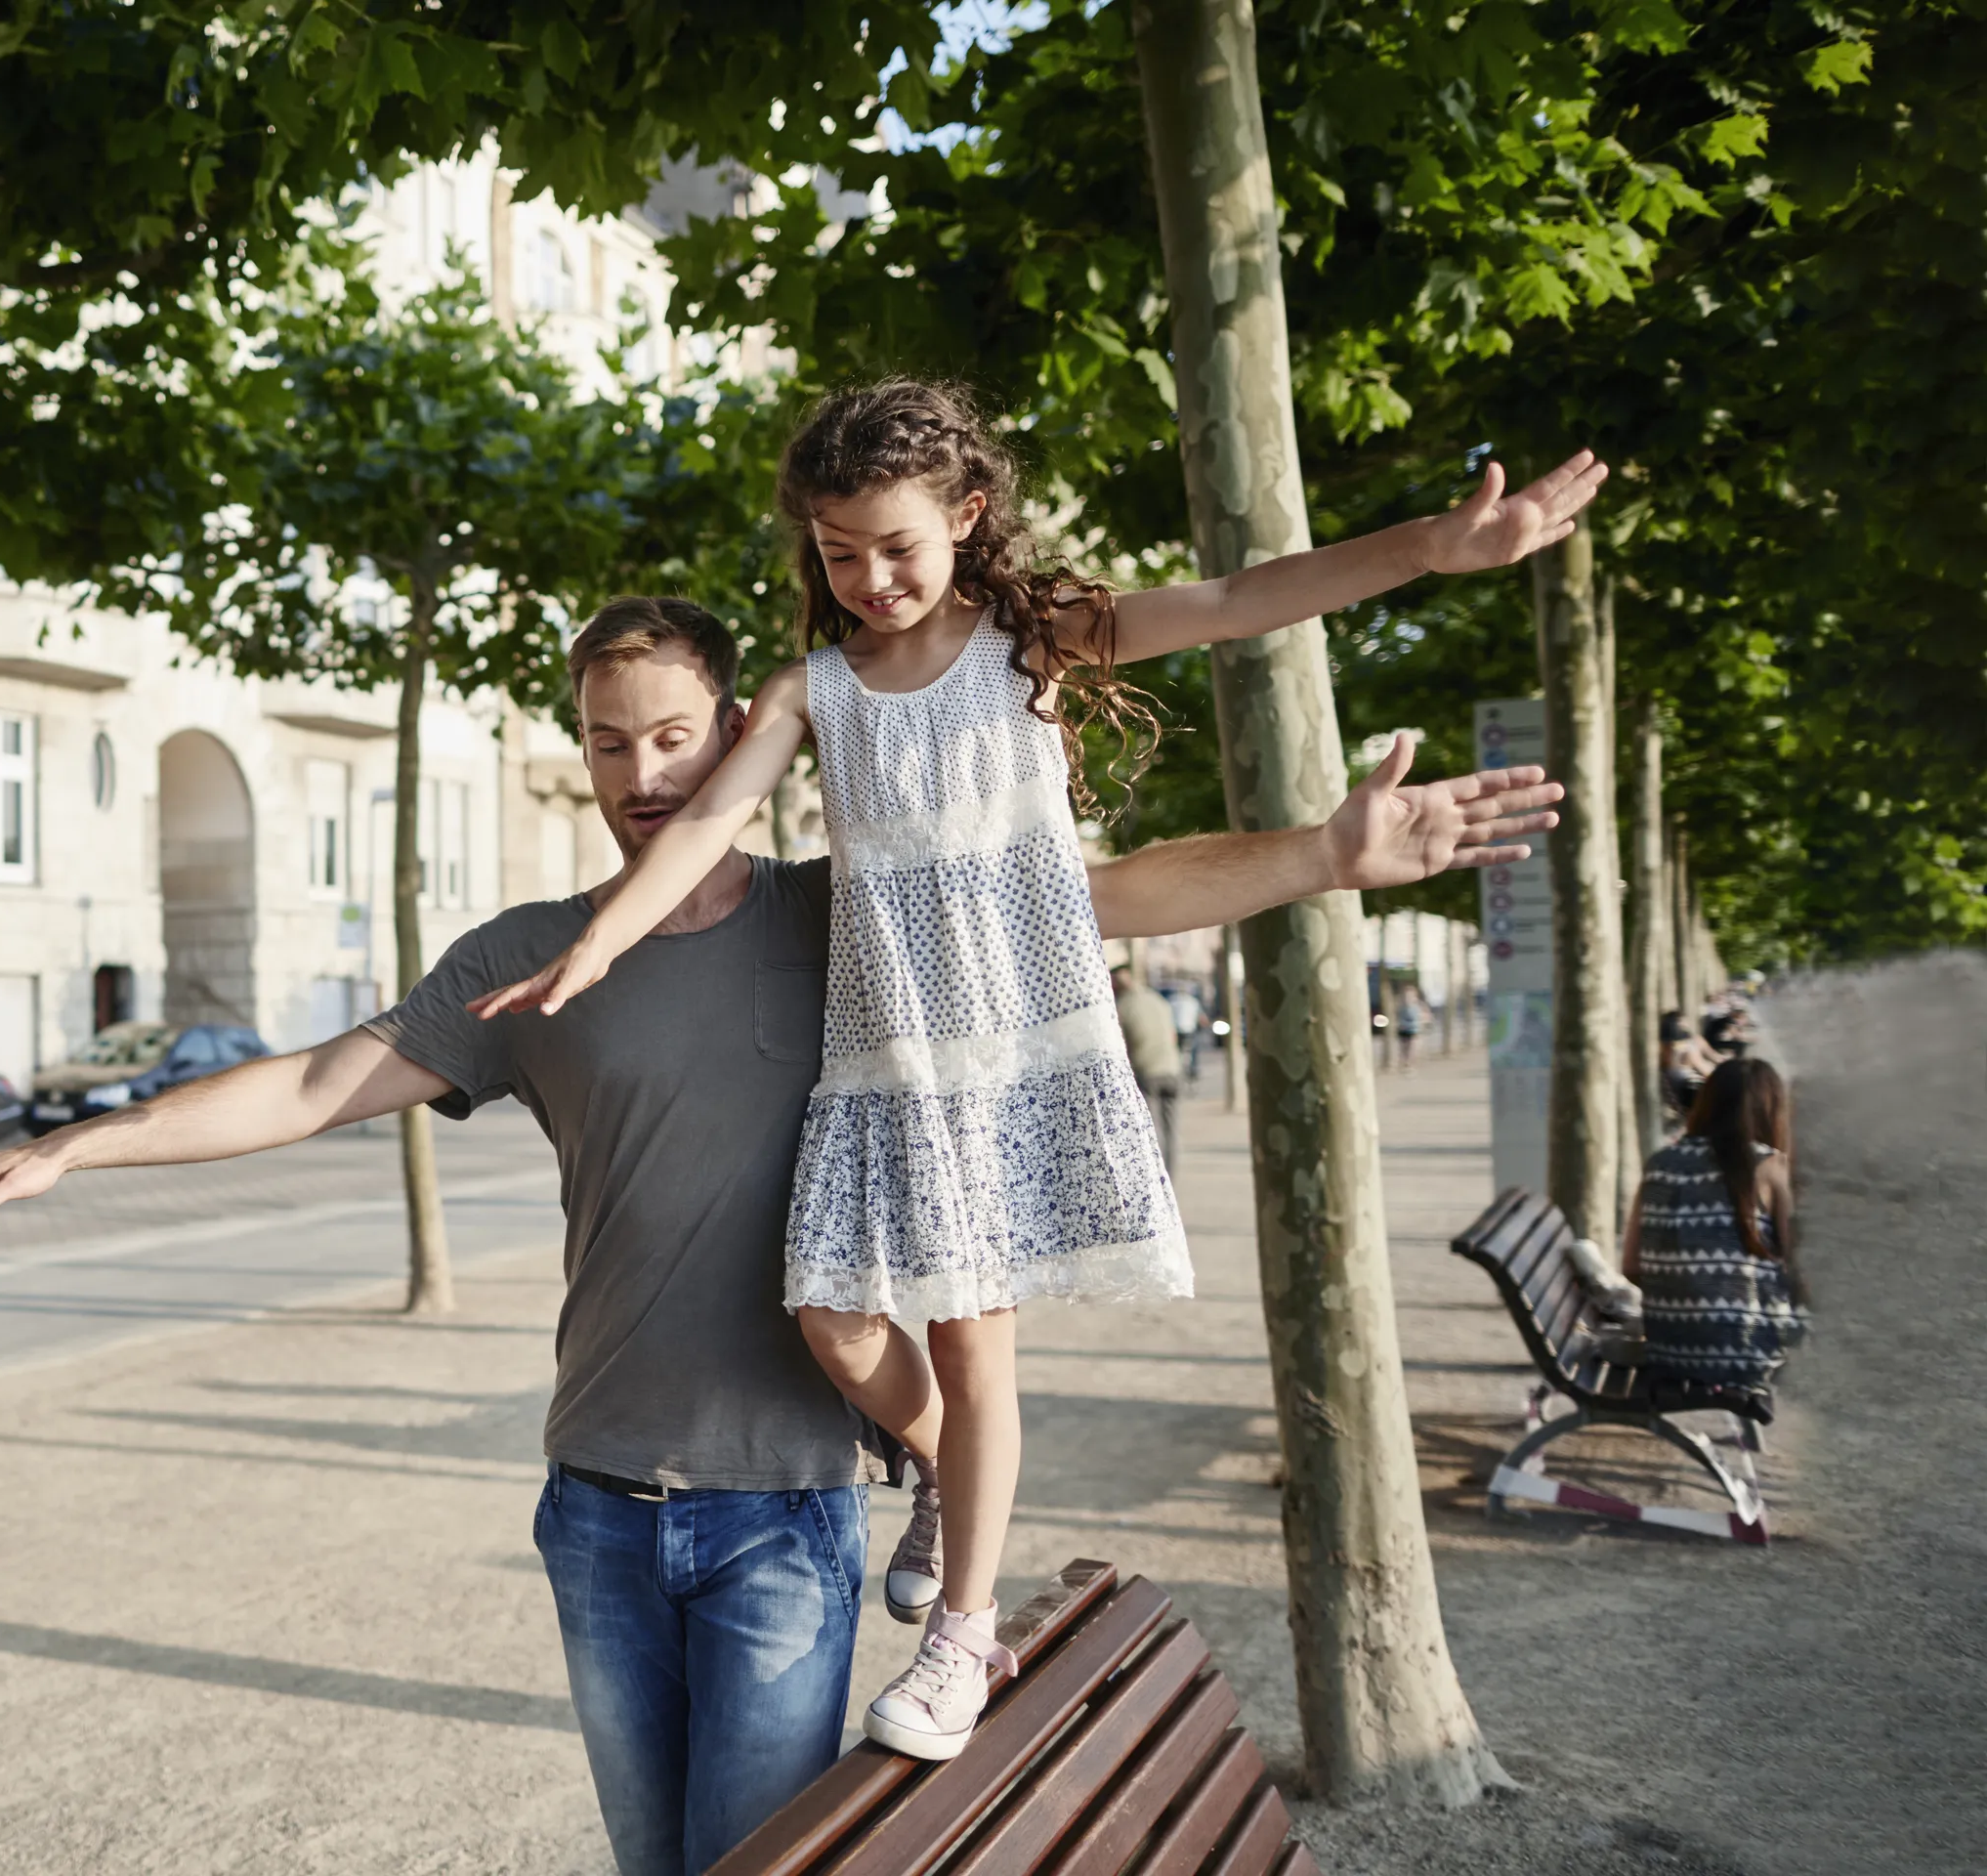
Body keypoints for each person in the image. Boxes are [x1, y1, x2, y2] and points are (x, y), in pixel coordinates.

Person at [0, 598, 1560, 1876]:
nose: (641, 775)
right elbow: (314, 1085)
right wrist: (78, 1147)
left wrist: (1326, 859)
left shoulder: (850, 913)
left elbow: (1106, 888)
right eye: (607, 742)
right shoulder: (533, 957)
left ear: (738, 732)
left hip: (780, 1511)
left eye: (672, 735)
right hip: (596, 1505)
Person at [473, 378, 1607, 1760]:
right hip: (884, 1068)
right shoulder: (813, 688)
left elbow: (1246, 595)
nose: (871, 579)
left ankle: (961, 1642)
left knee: (972, 1337)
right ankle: (952, 1472)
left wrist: (1431, 547)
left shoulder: (1032, 640)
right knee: (829, 1319)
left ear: (965, 514)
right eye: (838, 554)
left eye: (897, 545)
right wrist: (598, 944)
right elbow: (710, 817)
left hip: (1008, 1058)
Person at [1622, 1056, 1808, 1389]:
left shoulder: (1659, 1163)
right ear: (1773, 1112)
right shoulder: (1770, 1165)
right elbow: (1801, 1269)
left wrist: (1687, 1293)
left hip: (1669, 1350)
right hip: (1748, 1353)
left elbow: (1632, 1266)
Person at [1112, 965, 1182, 1172]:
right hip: (1171, 1068)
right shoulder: (1158, 999)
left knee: (1150, 1130)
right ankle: (1171, 1175)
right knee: (1171, 1130)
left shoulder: (1122, 1006)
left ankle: (1157, 1176)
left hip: (1146, 1071)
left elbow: (1121, 1045)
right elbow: (1172, 1034)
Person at [1658, 1011, 1718, 1130]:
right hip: (1690, 1099)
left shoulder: (1668, 1048)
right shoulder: (1685, 1050)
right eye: (1683, 1024)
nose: (1687, 1026)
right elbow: (1712, 1076)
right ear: (1676, 1025)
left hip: (1686, 1095)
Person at [1394, 983, 1427, 1071]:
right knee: (1404, 1049)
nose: (1408, 997)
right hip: (1403, 1029)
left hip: (1414, 1029)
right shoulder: (1400, 1006)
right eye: (1406, 995)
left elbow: (1425, 1015)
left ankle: (1410, 1065)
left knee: (1413, 1048)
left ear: (1415, 996)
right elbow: (1396, 1016)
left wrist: (1423, 1022)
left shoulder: (1419, 1006)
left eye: (1410, 995)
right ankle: (1406, 1064)